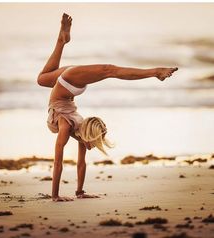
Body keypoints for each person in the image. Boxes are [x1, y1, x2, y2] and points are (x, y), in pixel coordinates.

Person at [37, 13, 178, 202]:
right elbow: (57, 163)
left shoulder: (76, 131)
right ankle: (156, 72)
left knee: (42, 79)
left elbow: (80, 164)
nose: (93, 146)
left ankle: (61, 41)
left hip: (67, 87)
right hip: (68, 82)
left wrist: (80, 193)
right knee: (108, 69)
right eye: (96, 142)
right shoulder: (66, 127)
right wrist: (55, 196)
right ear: (88, 136)